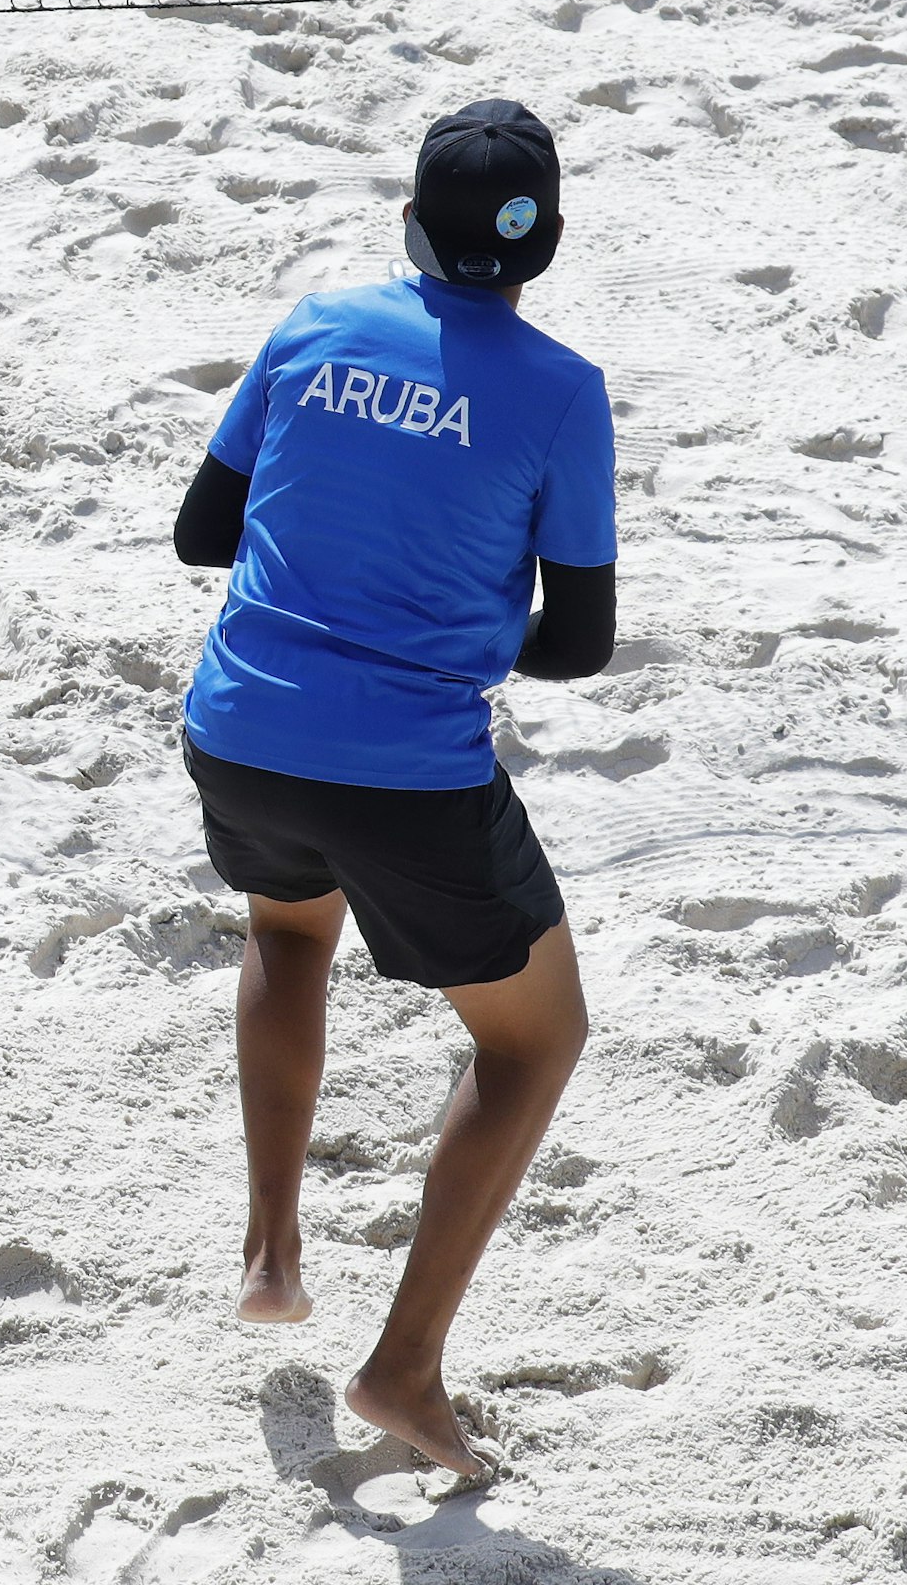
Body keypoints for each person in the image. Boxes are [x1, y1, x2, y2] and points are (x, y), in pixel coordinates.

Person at [169, 98, 615, 1477]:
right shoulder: (561, 388)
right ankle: (404, 1369)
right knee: (533, 1041)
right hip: (407, 771)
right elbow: (580, 644)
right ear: (541, 250)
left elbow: (202, 535)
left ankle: (271, 1252)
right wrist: (473, 637)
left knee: (289, 930)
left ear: (412, 226)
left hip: (240, 725)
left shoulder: (314, 323)